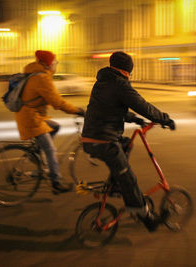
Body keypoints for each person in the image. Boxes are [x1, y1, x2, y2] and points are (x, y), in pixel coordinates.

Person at [81, 51, 175, 232]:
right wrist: (164, 119)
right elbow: (142, 105)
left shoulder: (102, 82)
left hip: (89, 139)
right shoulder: (120, 84)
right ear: (127, 70)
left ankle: (117, 184)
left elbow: (110, 108)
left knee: (124, 144)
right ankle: (147, 218)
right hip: (104, 142)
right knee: (129, 178)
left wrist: (133, 119)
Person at [15, 50, 84, 194]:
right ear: (48, 64)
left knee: (55, 126)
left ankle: (37, 152)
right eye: (55, 62)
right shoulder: (41, 78)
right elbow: (57, 102)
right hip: (32, 119)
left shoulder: (34, 74)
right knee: (51, 149)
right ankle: (56, 183)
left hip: (29, 115)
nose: (56, 65)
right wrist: (77, 110)